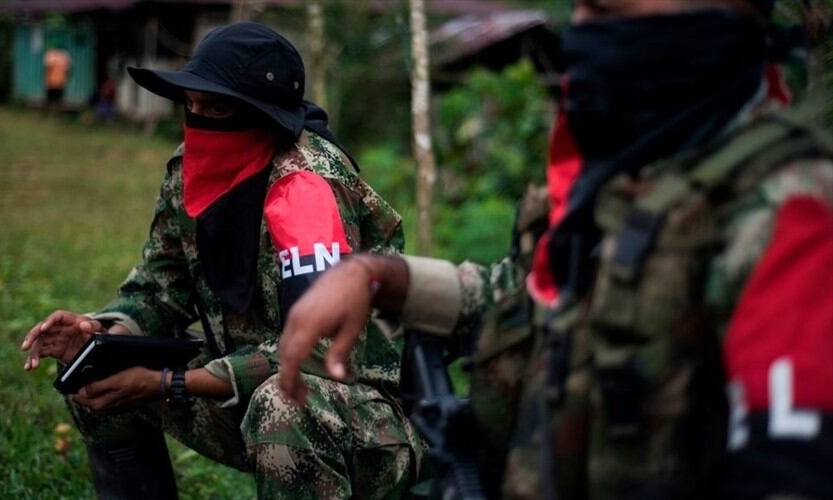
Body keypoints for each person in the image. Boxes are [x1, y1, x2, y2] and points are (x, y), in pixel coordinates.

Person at [278, 1, 832, 498]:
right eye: (584, 10)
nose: (586, 33)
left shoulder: (787, 211)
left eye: (615, 11)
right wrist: (377, 275)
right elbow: (534, 294)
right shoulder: (630, 179)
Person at [22, 22, 420, 499]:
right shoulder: (192, 170)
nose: (198, 121)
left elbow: (316, 350)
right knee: (99, 377)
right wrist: (105, 334)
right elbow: (158, 285)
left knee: (285, 406)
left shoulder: (307, 185)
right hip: (244, 387)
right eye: (191, 105)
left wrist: (166, 382)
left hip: (354, 418)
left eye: (216, 108)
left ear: (263, 115)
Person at [44, 45, 71, 109]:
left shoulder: (50, 55)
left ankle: (53, 108)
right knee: (57, 94)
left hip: (53, 78)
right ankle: (56, 108)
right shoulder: (65, 55)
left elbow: (47, 68)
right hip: (58, 78)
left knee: (53, 95)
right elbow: (68, 69)